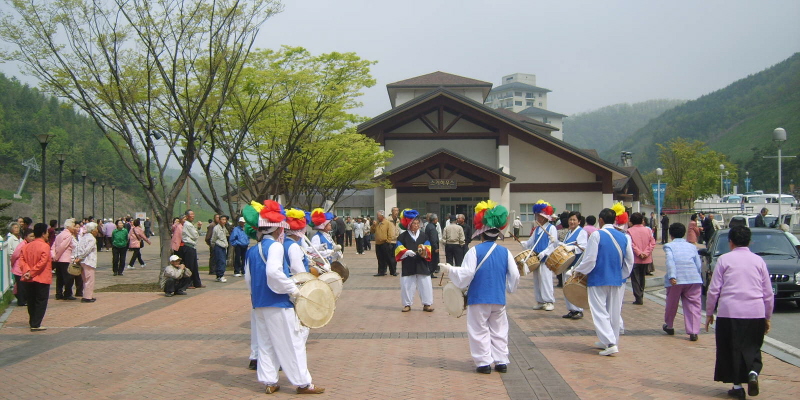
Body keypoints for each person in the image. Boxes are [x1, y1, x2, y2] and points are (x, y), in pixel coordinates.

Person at [245, 200, 324, 395]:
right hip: (278, 302)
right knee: (293, 342)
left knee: (266, 343)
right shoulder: (276, 247)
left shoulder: (252, 250)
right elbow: (274, 272)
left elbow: (248, 279)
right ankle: (303, 383)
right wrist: (292, 289)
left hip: (259, 302)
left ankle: (269, 381)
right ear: (277, 229)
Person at [439, 200, 519, 374]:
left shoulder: (474, 251)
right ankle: (501, 361)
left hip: (478, 298)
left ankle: (483, 363)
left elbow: (466, 275)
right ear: (497, 233)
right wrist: (510, 289)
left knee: (478, 329)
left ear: (481, 234)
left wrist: (451, 270)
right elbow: (515, 275)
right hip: (498, 298)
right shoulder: (505, 252)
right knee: (499, 330)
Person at [705, 225, 773, 399]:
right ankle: (753, 373)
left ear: (731, 242)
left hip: (729, 312)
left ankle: (737, 386)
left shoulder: (724, 260)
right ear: (749, 241)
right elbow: (768, 293)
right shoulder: (759, 261)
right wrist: (767, 316)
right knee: (753, 346)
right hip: (755, 312)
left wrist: (709, 313)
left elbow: (714, 290)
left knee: (731, 349)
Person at [572, 207, 634, 356]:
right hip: (617, 279)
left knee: (599, 311)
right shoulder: (625, 236)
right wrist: (622, 275)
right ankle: (610, 341)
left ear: (600, 220)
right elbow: (630, 261)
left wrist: (577, 270)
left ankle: (610, 342)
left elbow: (590, 259)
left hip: (598, 278)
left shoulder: (596, 235)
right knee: (613, 312)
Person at [662, 222, 702, 341]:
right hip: (693, 278)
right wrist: (697, 275)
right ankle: (693, 331)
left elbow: (670, 261)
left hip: (676, 280)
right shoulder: (692, 246)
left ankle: (669, 325)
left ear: (671, 234)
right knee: (693, 305)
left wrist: (672, 275)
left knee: (672, 303)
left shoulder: (669, 246)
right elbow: (698, 264)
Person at [521, 200, 558, 311]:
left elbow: (553, 244)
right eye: (536, 215)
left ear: (544, 217)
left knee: (546, 279)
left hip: (546, 258)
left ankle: (549, 301)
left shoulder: (551, 228)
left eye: (539, 216)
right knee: (537, 280)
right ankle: (540, 301)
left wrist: (545, 252)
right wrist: (524, 244)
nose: (537, 218)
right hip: (536, 258)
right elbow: (531, 242)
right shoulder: (537, 229)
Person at [395, 210, 434, 312]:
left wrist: (424, 251)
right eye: (414, 223)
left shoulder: (424, 235)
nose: (416, 225)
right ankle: (407, 304)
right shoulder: (402, 236)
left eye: (417, 223)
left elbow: (428, 247)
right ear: (409, 224)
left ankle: (427, 304)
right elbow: (398, 248)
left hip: (422, 263)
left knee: (425, 284)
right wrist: (406, 252)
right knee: (407, 284)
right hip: (408, 263)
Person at [18, 223, 53, 332]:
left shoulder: (26, 246)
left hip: (28, 278)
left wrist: (28, 271)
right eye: (46, 232)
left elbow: (22, 260)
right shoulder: (45, 246)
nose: (48, 234)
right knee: (41, 301)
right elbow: (42, 262)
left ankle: (32, 321)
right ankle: (36, 324)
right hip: (41, 277)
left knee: (31, 300)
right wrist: (32, 272)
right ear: (43, 233)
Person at [561, 211, 587, 319]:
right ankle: (571, 309)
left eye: (574, 220)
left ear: (579, 221)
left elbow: (583, 247)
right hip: (567, 262)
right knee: (567, 287)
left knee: (574, 287)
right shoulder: (569, 232)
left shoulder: (582, 232)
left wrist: (572, 248)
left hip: (575, 264)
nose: (572, 222)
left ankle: (578, 310)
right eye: (570, 219)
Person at [628, 212, 656, 305]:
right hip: (646, 258)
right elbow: (652, 243)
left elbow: (631, 244)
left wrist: (639, 253)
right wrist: (646, 252)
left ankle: (638, 296)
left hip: (635, 258)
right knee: (642, 277)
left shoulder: (629, 231)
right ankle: (641, 294)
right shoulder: (648, 230)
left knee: (635, 278)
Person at [52, 218, 81, 300]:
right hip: (66, 259)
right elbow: (62, 247)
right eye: (73, 226)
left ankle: (59, 293)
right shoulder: (68, 236)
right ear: (68, 227)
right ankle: (67, 294)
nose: (74, 228)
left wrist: (55, 257)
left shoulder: (59, 235)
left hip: (59, 260)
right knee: (68, 278)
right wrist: (56, 256)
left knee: (59, 278)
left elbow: (54, 246)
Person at [74, 222, 98, 303]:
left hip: (83, 261)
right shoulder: (92, 239)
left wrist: (79, 257)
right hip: (89, 261)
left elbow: (79, 248)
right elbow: (87, 250)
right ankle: (87, 297)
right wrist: (80, 257)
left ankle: (87, 295)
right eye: (96, 229)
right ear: (92, 230)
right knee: (90, 279)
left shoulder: (83, 237)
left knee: (85, 279)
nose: (97, 230)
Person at [10, 227, 33, 306]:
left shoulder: (30, 244)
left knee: (23, 285)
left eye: (33, 236)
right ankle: (21, 301)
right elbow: (15, 255)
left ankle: (23, 299)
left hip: (25, 268)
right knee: (21, 286)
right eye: (30, 236)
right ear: (26, 237)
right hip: (19, 268)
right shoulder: (22, 245)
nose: (32, 238)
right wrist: (13, 264)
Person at [182, 210, 204, 289]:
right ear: (187, 216)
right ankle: (188, 283)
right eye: (191, 214)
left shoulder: (190, 224)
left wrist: (198, 228)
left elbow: (196, 234)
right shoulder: (188, 225)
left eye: (193, 214)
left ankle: (197, 283)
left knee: (194, 266)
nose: (193, 216)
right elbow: (195, 235)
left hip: (192, 246)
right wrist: (198, 229)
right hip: (188, 246)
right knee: (189, 266)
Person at [371, 210, 397, 276]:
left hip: (385, 243)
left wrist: (388, 241)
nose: (377, 217)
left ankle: (393, 271)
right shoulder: (376, 223)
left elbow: (390, 233)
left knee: (389, 258)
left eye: (378, 216)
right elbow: (372, 231)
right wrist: (373, 225)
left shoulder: (387, 223)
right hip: (378, 244)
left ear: (382, 216)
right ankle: (381, 271)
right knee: (380, 258)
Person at [210, 215, 230, 282]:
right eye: (222, 219)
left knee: (222, 261)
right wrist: (213, 244)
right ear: (219, 220)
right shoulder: (217, 228)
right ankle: (220, 275)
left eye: (225, 220)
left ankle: (219, 275)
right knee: (221, 261)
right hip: (219, 245)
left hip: (223, 246)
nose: (224, 221)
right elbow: (214, 238)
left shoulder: (224, 227)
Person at [425, 213, 440, 278]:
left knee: (430, 260)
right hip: (432, 247)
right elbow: (433, 239)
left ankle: (430, 272)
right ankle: (431, 272)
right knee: (433, 261)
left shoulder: (429, 226)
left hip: (429, 246)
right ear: (434, 220)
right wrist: (436, 247)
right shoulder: (432, 228)